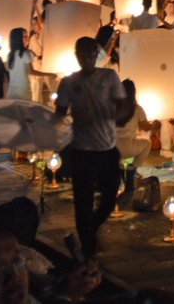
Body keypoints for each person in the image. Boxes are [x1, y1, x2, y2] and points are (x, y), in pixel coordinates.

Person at [53, 37, 134, 259]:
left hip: (107, 147)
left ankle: (91, 227)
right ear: (77, 55)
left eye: (90, 54)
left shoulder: (108, 77)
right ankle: (88, 249)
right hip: (81, 149)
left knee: (110, 193)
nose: (86, 58)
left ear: (96, 54)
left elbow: (122, 104)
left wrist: (116, 115)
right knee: (83, 200)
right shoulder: (69, 82)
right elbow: (59, 111)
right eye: (81, 54)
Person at [6, 28, 56, 102]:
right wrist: (50, 74)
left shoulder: (9, 55)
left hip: (11, 91)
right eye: (25, 36)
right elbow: (31, 71)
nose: (27, 38)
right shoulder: (25, 53)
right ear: (18, 39)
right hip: (23, 90)